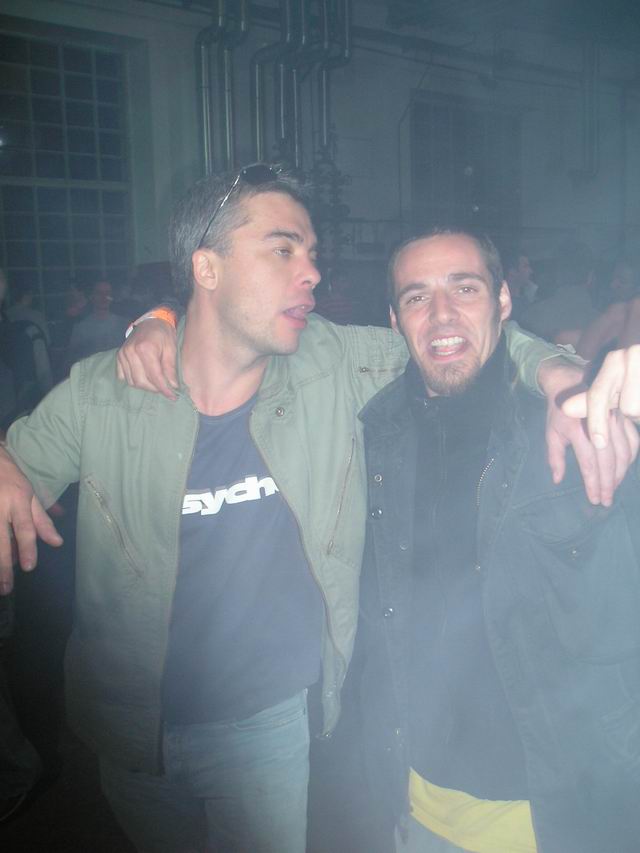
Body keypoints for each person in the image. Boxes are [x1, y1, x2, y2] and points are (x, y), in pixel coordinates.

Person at [0, 166, 633, 852]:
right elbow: (18, 469)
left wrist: (561, 372)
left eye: (310, 253)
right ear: (206, 268)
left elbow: (458, 338)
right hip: (128, 728)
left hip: (269, 728)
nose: (311, 272)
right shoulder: (101, 393)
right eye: (283, 249)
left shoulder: (330, 363)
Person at [355, 228, 640, 853]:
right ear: (395, 321)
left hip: (559, 813)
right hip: (415, 801)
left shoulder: (579, 428)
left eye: (465, 289)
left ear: (503, 300)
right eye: (417, 297)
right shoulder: (375, 431)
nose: (442, 314)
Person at [67, 280, 128, 365]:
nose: (104, 296)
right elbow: (73, 359)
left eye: (107, 293)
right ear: (91, 296)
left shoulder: (124, 324)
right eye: (99, 293)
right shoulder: (81, 328)